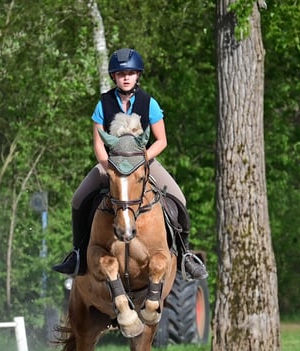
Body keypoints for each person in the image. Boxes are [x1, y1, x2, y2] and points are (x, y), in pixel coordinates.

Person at [52, 48, 208, 280]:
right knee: (78, 199)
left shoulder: (149, 103)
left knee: (179, 199)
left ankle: (185, 256)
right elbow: (98, 143)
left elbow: (162, 140)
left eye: (131, 73)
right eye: (121, 73)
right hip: (112, 163)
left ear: (138, 76)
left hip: (143, 163)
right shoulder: (103, 104)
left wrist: (140, 162)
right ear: (114, 77)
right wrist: (108, 167)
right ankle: (77, 254)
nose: (126, 77)